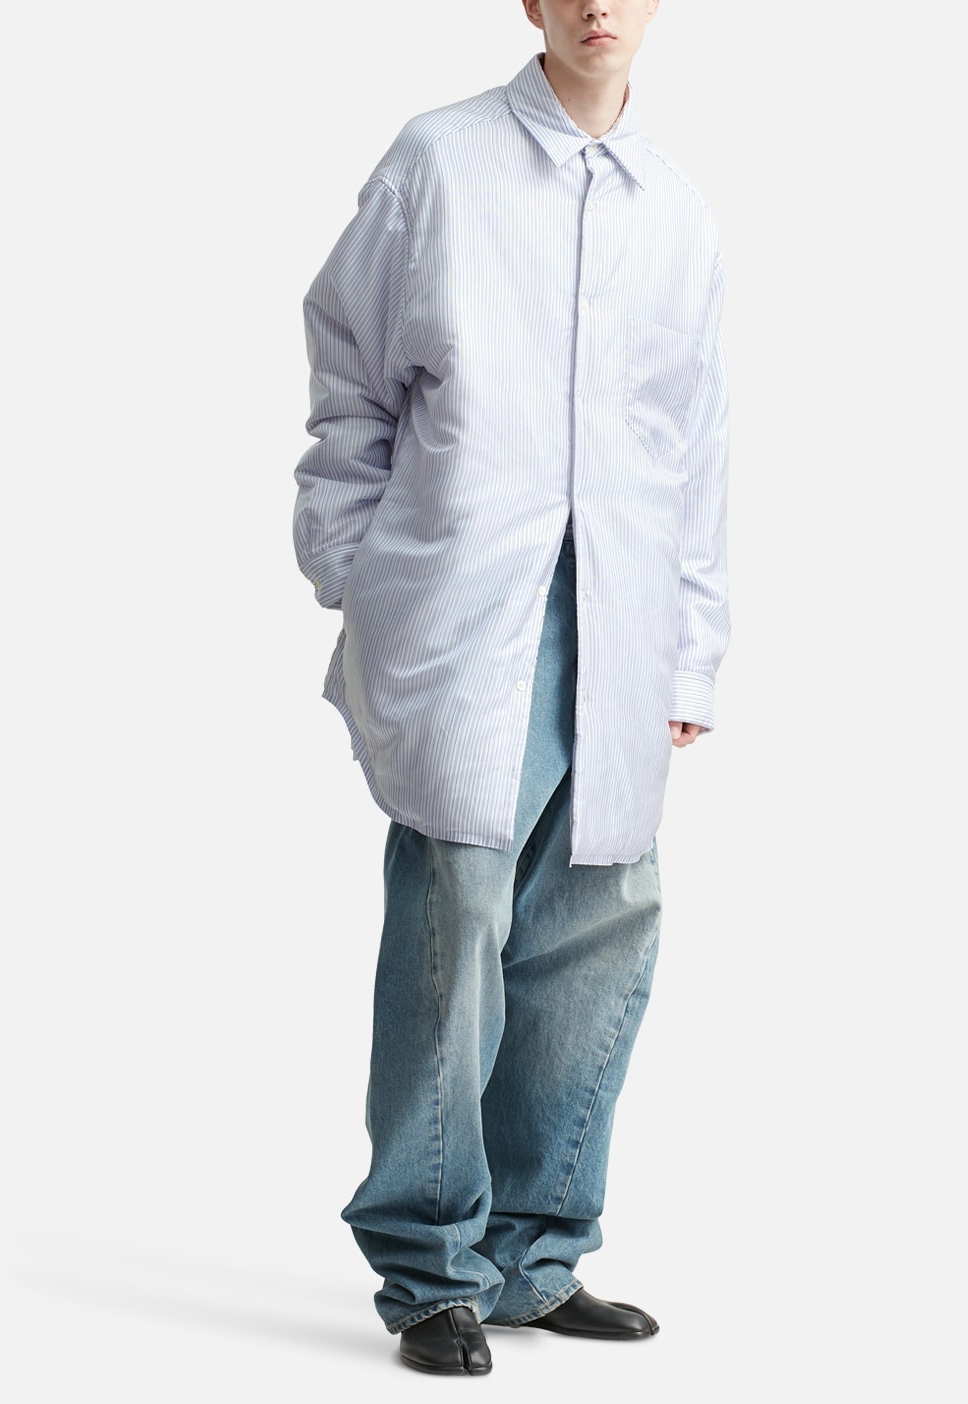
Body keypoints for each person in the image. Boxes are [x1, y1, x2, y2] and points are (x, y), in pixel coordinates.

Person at [292, 0, 730, 1377]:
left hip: (620, 618)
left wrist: (691, 649)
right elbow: (351, 382)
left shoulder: (675, 207)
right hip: (466, 611)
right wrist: (359, 576)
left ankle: (537, 1259)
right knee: (457, 920)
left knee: (599, 930)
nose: (601, 7)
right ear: (531, 2)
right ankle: (430, 1269)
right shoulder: (440, 161)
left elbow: (693, 439)